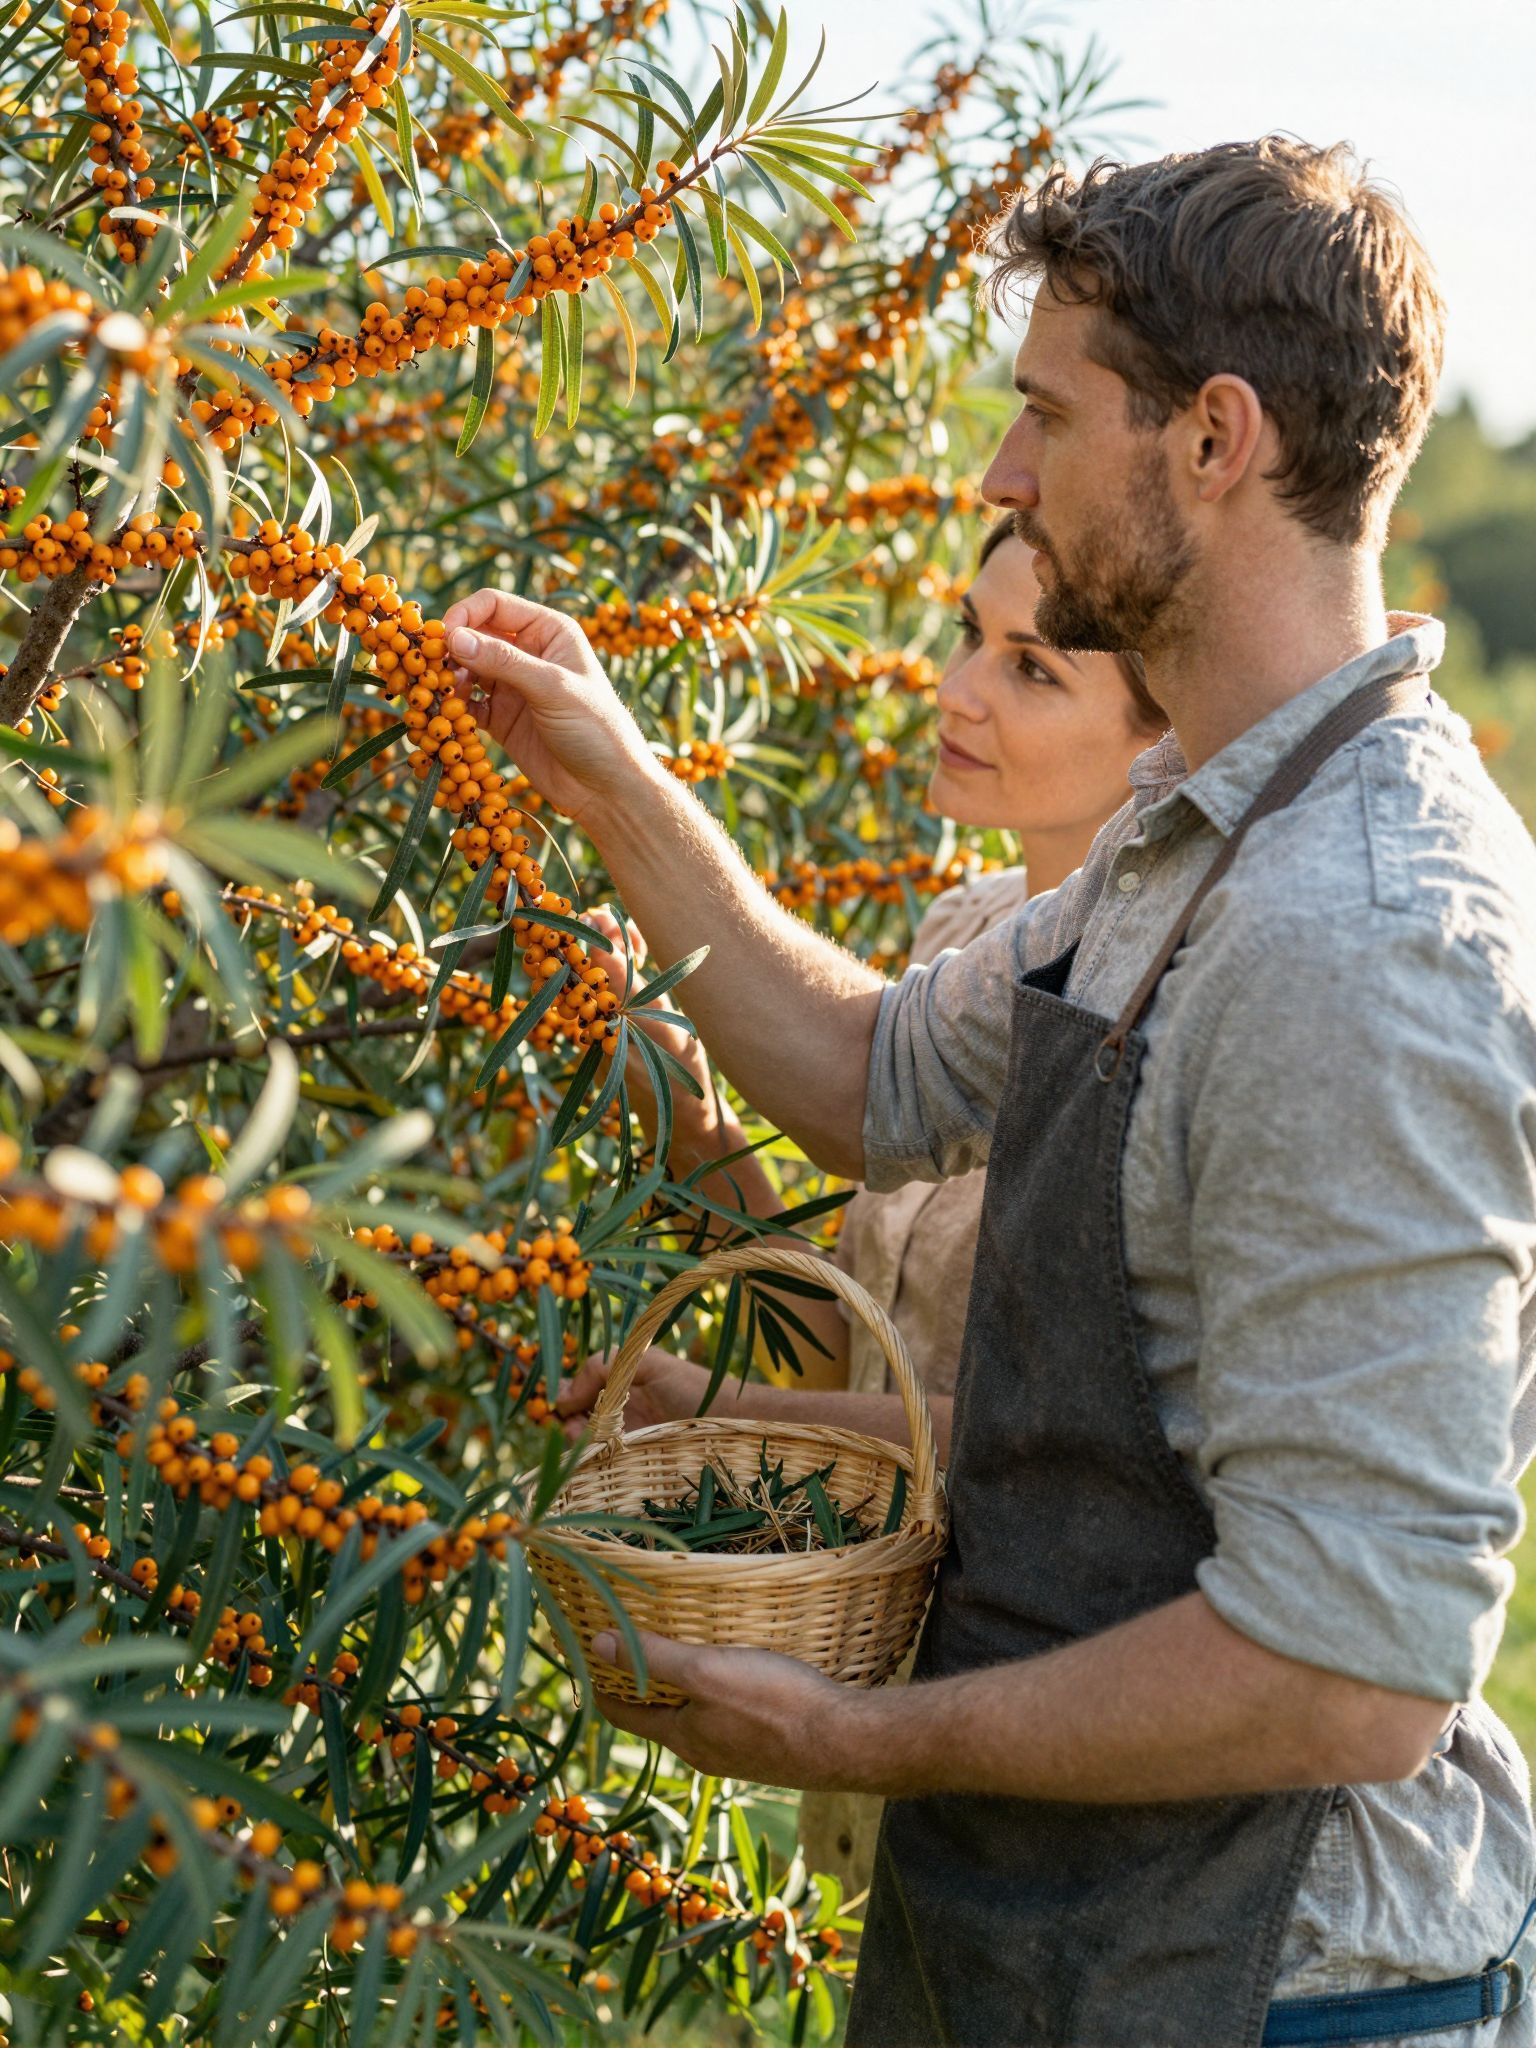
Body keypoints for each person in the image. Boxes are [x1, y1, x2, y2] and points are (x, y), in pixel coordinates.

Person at [444, 138, 1536, 2048]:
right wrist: (603, 770)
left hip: (1267, 1995)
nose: (1001, 477)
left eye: (1045, 414)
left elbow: (1351, 1671)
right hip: (1057, 1952)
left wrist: (859, 1731)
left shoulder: (1362, 936)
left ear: (1212, 440)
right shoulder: (1192, 838)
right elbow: (876, 1077)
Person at [584, 513, 1167, 1904]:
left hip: (1046, 1724)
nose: (958, 686)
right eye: (972, 633)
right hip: (871, 1683)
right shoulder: (959, 939)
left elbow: (1045, 1444)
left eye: (1032, 669)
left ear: (1168, 746)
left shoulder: (1157, 1016)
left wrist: (723, 1415)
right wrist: (685, 1100)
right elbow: (844, 1341)